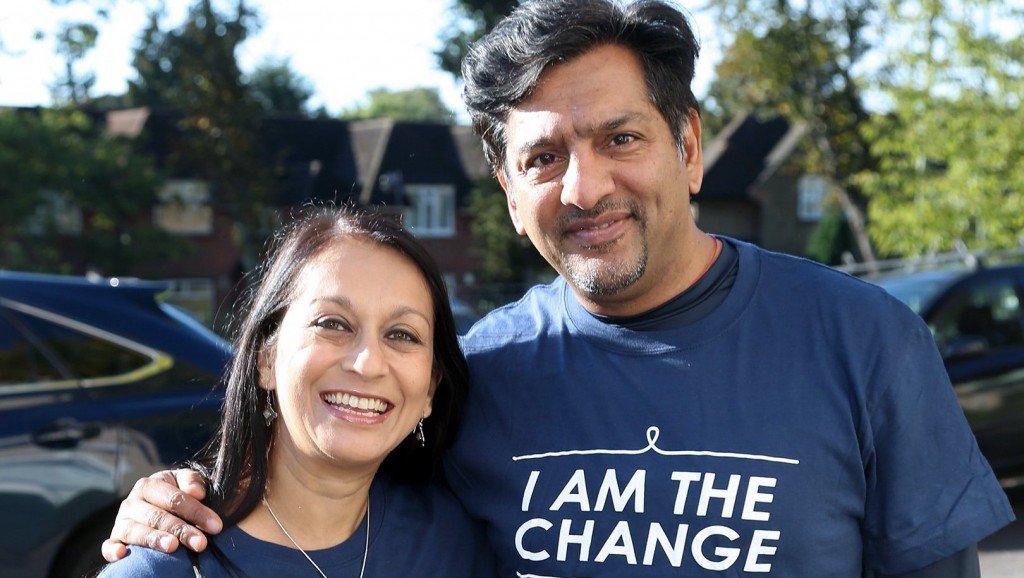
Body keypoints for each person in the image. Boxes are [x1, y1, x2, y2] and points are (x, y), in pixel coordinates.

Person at [102, 0, 1015, 576]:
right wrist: (182, 504)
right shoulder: (475, 373)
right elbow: (326, 478)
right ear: (508, 192)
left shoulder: (866, 341)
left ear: (689, 147)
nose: (584, 188)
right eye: (543, 158)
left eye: (621, 138)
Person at [98, 207, 496, 577]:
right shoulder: (167, 565)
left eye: (402, 334)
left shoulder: (451, 545)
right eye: (333, 323)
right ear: (265, 358)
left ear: (430, 391)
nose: (368, 363)